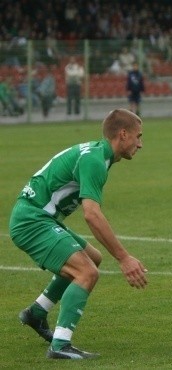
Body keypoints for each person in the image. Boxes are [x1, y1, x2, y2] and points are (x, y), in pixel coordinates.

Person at [9, 108, 148, 359]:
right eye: (138, 137)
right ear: (123, 134)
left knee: (92, 257)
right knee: (86, 272)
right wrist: (124, 258)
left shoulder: (98, 154)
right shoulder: (95, 160)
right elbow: (92, 214)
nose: (141, 144)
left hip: (38, 216)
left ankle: (36, 313)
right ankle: (60, 346)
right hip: (31, 220)